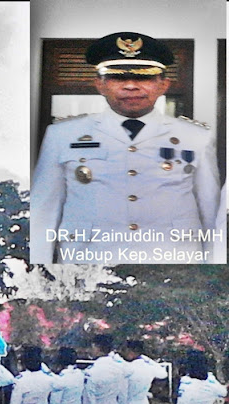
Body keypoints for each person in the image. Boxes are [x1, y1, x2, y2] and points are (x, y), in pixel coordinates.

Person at [30, 31, 221, 265]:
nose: (131, 86)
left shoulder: (195, 137)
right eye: (118, 77)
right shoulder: (62, 135)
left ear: (163, 85)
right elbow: (42, 214)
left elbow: (212, 217)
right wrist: (38, 277)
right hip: (87, 267)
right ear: (99, 84)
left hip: (173, 269)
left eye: (144, 77)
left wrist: (214, 279)